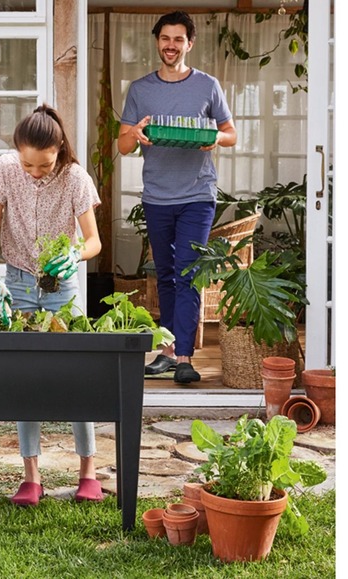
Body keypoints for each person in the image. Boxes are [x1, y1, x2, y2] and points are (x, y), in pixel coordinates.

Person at [0, 104, 103, 506]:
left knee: (78, 375)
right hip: (16, 282)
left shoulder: (75, 178)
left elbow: (93, 241)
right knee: (25, 376)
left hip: (62, 285)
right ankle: (31, 476)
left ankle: (88, 472)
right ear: (17, 152)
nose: (35, 172)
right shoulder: (5, 169)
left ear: (59, 149)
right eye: (28, 164)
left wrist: (75, 255)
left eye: (43, 164)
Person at [118, 10, 237, 384]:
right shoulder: (139, 90)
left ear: (190, 44)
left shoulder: (207, 86)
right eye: (165, 38)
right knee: (165, 275)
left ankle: (184, 355)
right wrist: (135, 133)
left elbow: (231, 133)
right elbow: (122, 146)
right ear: (158, 42)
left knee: (187, 273)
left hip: (197, 196)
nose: (171, 45)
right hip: (157, 196)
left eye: (178, 39)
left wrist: (214, 138)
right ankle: (168, 351)